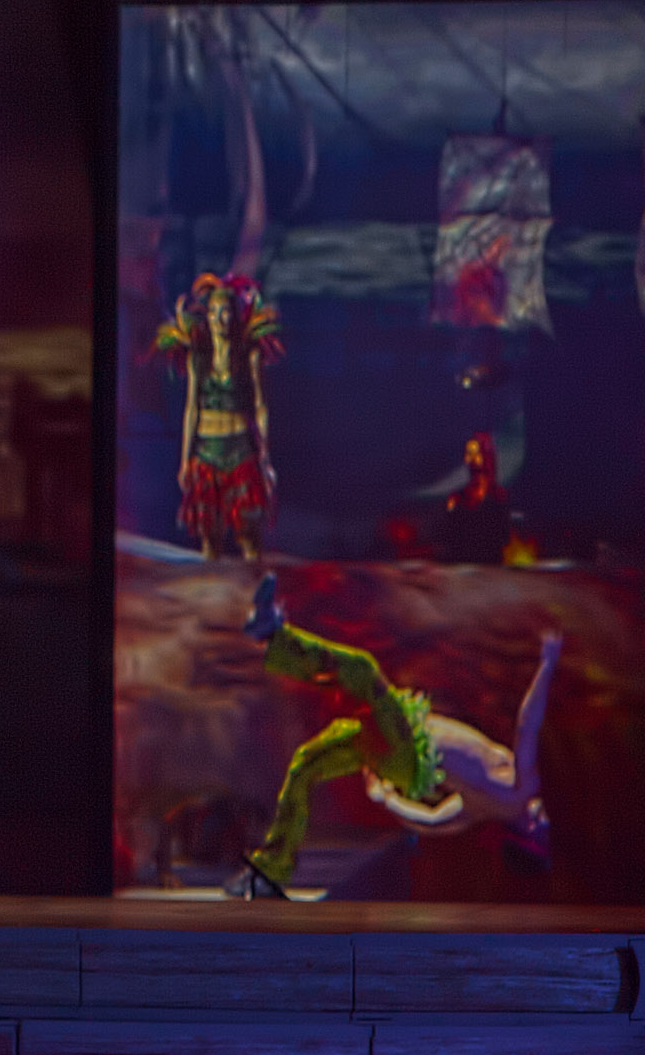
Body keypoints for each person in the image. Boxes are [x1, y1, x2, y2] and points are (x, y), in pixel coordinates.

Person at [236, 573, 558, 897]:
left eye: (544, 833)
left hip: (405, 749)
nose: (546, 821)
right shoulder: (483, 807)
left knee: (363, 670)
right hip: (398, 758)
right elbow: (432, 819)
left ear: (528, 834)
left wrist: (547, 663)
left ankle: (273, 635)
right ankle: (271, 868)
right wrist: (387, 799)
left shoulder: (520, 790)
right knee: (309, 763)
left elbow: (527, 725)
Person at [152, 272, 283, 559]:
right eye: (214, 312)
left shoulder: (248, 355)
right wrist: (185, 460)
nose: (220, 319)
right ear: (207, 317)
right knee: (210, 539)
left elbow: (260, 406)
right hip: (206, 453)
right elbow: (191, 408)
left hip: (241, 451)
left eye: (226, 312)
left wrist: (264, 457)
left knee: (249, 537)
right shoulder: (198, 357)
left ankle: (254, 586)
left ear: (234, 316)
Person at [439, 431, 512, 565]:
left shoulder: (499, 497)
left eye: (476, 453)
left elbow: (504, 534)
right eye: (469, 453)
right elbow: (446, 531)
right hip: (460, 562)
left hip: (490, 563)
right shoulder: (456, 498)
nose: (471, 459)